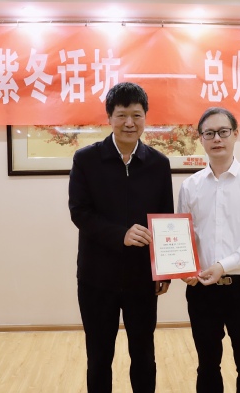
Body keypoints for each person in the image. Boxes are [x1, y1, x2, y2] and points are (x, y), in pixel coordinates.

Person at [68, 82, 174, 393]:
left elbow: (165, 219)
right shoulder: (86, 159)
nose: (130, 123)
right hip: (96, 278)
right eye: (122, 115)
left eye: (137, 115)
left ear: (146, 117)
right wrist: (120, 235)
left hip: (142, 279)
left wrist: (165, 270)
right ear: (109, 118)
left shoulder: (159, 164)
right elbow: (79, 212)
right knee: (99, 356)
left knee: (144, 355)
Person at [177, 107, 240, 393]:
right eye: (209, 133)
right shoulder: (190, 186)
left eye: (223, 132)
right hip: (202, 291)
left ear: (235, 134)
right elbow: (184, 237)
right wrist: (184, 268)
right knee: (207, 366)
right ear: (200, 138)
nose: (217, 139)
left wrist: (224, 265)